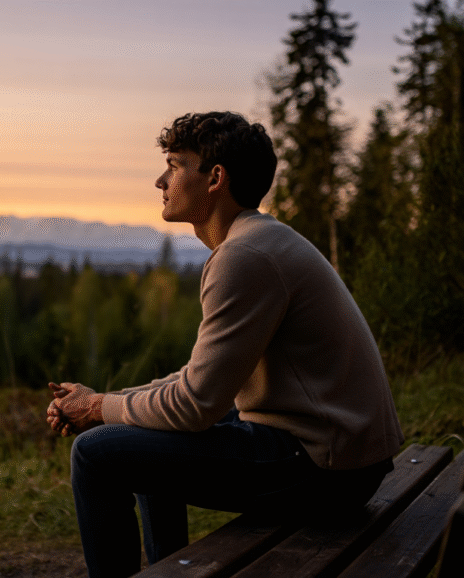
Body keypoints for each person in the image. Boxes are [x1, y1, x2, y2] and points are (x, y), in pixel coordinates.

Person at [46, 111, 404, 578]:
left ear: (215, 177)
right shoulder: (259, 241)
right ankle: (167, 570)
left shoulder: (244, 257)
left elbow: (194, 405)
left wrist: (96, 409)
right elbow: (198, 384)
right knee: (146, 431)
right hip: (344, 457)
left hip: (324, 470)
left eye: (174, 165)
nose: (161, 179)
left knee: (95, 453)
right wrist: (105, 402)